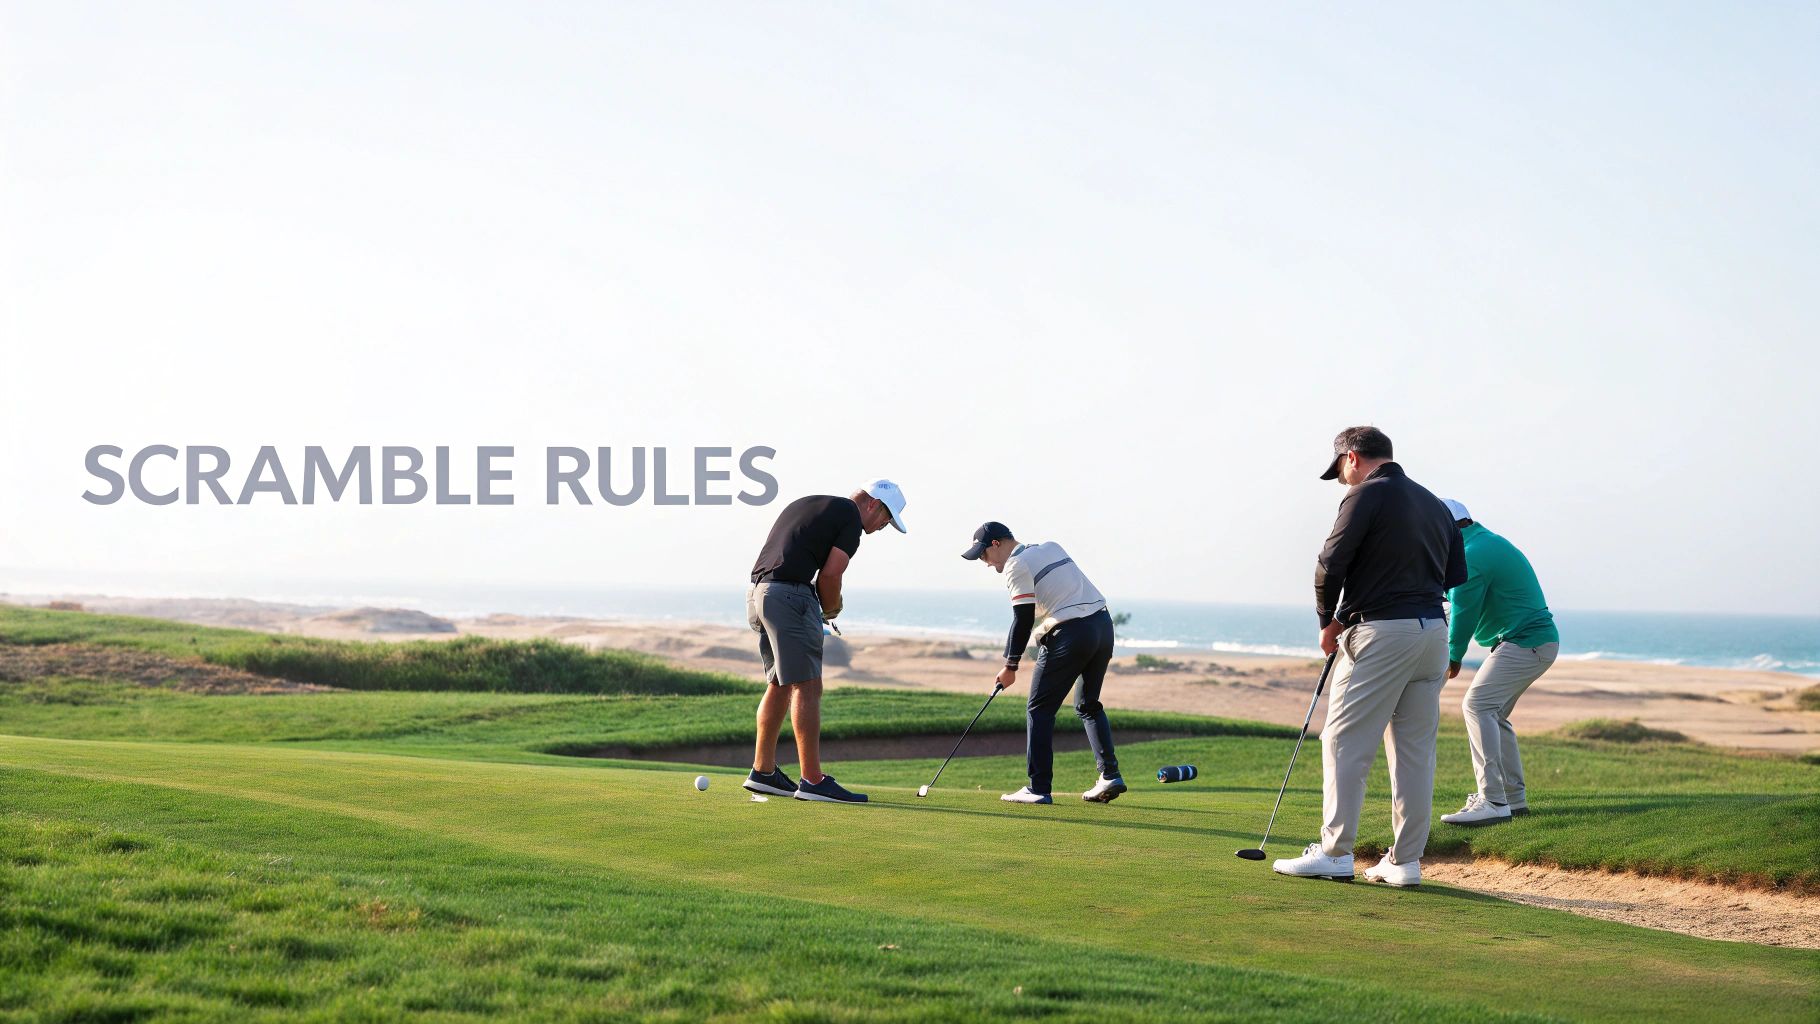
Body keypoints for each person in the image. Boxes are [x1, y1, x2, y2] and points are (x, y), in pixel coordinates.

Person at [1273, 426, 1466, 888]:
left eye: (1340, 468)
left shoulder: (1363, 494)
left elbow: (1329, 564)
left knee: (1343, 741)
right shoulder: (1434, 504)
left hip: (1382, 635)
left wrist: (1327, 621)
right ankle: (1405, 861)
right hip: (1432, 635)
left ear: (1353, 457)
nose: (1342, 477)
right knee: (1414, 753)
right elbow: (1453, 575)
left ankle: (1335, 853)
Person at [743, 480, 907, 804]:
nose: (882, 527)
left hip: (758, 594)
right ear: (873, 504)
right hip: (788, 595)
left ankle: (763, 772)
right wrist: (831, 609)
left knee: (779, 683)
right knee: (808, 685)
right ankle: (813, 781)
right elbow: (830, 576)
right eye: (886, 518)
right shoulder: (850, 517)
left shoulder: (811, 502)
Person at [962, 521, 1125, 804]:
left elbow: (1023, 619)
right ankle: (1109, 775)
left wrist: (1010, 666)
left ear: (996, 544)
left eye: (983, 555)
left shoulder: (1015, 566)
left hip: (1071, 634)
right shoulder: (1051, 547)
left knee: (1039, 710)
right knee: (1087, 705)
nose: (985, 562)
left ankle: (1038, 788)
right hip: (1102, 627)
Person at [1436, 498, 1561, 826]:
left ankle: (1492, 800)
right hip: (1533, 641)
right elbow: (1453, 598)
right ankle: (1513, 800)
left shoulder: (1471, 555)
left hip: (1525, 641)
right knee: (1493, 713)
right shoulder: (1482, 543)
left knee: (1477, 705)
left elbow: (1463, 611)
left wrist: (1453, 656)